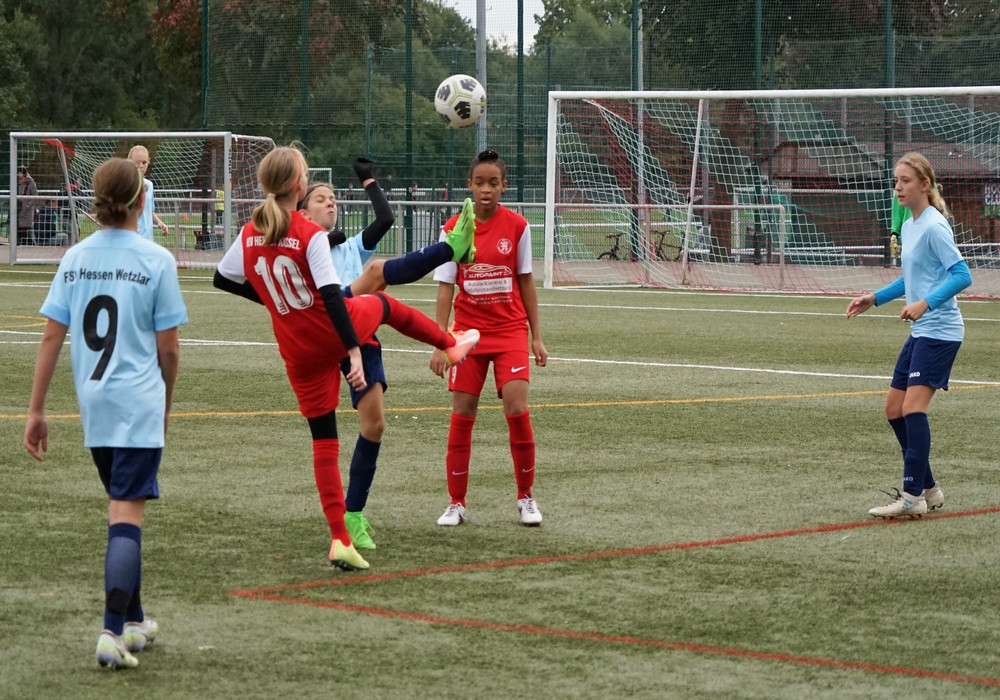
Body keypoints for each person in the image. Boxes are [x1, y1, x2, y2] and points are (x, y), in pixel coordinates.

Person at [213, 146, 480, 570]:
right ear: (299, 186)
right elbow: (331, 298)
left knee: (324, 441)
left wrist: (278, 303)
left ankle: (339, 537)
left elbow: (222, 279)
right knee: (384, 304)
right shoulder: (308, 234)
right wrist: (352, 348)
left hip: (296, 347)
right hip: (331, 328)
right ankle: (448, 342)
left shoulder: (250, 232)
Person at [23, 157, 189, 670]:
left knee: (120, 506)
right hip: (137, 402)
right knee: (126, 514)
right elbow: (169, 349)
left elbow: (52, 336)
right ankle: (111, 631)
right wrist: (165, 402)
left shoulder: (75, 257)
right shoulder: (156, 259)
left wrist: (36, 410)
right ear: (142, 200)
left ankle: (134, 620)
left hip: (93, 403)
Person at [296, 158, 475, 550]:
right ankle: (451, 251)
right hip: (328, 323)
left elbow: (385, 219)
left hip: (358, 331)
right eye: (320, 199)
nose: (330, 202)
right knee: (377, 273)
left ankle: (352, 515)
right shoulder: (302, 244)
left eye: (333, 198)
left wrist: (369, 180)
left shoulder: (347, 245)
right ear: (302, 212)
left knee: (374, 425)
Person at [846, 152, 972, 519]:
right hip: (923, 331)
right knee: (893, 409)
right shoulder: (911, 225)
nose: (898, 187)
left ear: (924, 185)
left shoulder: (934, 226)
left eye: (905, 181)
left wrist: (925, 304)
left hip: (941, 332)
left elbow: (962, 275)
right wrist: (875, 298)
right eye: (896, 181)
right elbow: (912, 278)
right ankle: (929, 488)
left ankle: (912, 495)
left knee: (913, 409)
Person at [429, 149, 549, 527]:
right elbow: (446, 286)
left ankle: (526, 497)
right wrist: (441, 340)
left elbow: (526, 281)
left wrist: (536, 337)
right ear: (469, 185)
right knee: (463, 413)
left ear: (503, 186)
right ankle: (456, 503)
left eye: (493, 183)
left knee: (517, 407)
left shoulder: (518, 227)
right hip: (467, 335)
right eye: (479, 182)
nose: (486, 189)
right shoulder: (454, 228)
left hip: (510, 331)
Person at [127, 145, 170, 241]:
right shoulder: (124, 185)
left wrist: (159, 222)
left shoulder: (149, 185)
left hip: (147, 238)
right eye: (136, 162)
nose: (141, 166)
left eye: (144, 162)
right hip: (131, 238)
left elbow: (149, 210)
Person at [17, 166, 38, 245]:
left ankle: (30, 244)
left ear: (23, 173)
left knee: (27, 228)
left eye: (20, 173)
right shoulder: (19, 182)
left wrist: (28, 205)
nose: (18, 175)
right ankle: (22, 242)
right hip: (20, 209)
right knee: (21, 228)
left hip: (27, 210)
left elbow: (35, 195)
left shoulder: (30, 182)